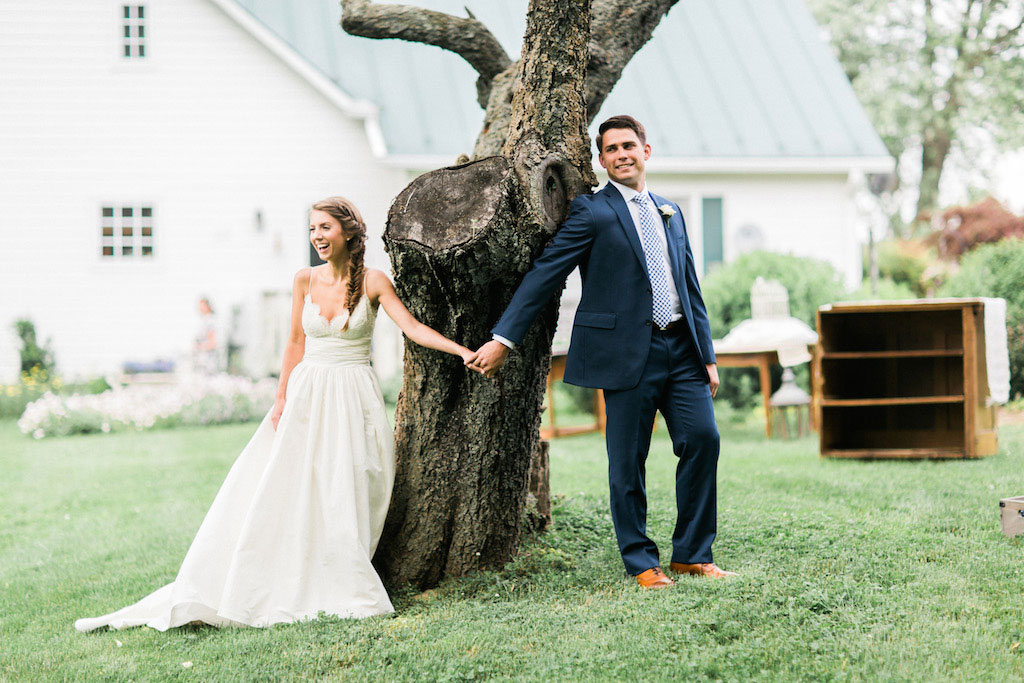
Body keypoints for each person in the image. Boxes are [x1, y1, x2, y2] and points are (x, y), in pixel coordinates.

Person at [76, 196, 478, 631]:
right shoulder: (303, 279)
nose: (317, 237)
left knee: (347, 484)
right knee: (288, 485)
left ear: (348, 231)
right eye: (312, 229)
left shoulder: (374, 281)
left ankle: (340, 573)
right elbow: (293, 343)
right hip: (307, 394)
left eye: (325, 227)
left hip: (353, 397)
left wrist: (461, 351)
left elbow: (413, 328)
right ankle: (273, 577)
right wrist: (282, 397)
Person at [468, 115, 734, 589]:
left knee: (704, 439)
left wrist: (707, 355)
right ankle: (641, 561)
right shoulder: (592, 212)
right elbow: (547, 273)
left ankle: (692, 554)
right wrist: (503, 338)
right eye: (611, 150)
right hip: (626, 353)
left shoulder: (670, 211)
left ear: (646, 151)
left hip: (682, 348)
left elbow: (689, 286)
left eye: (629, 146)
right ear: (602, 160)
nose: (622, 155)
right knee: (626, 460)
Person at [193, 297, 220, 375]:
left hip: (208, 363)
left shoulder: (210, 321)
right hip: (202, 361)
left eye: (202, 306)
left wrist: (199, 347)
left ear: (208, 306)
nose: (200, 308)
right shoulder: (204, 320)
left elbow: (213, 343)